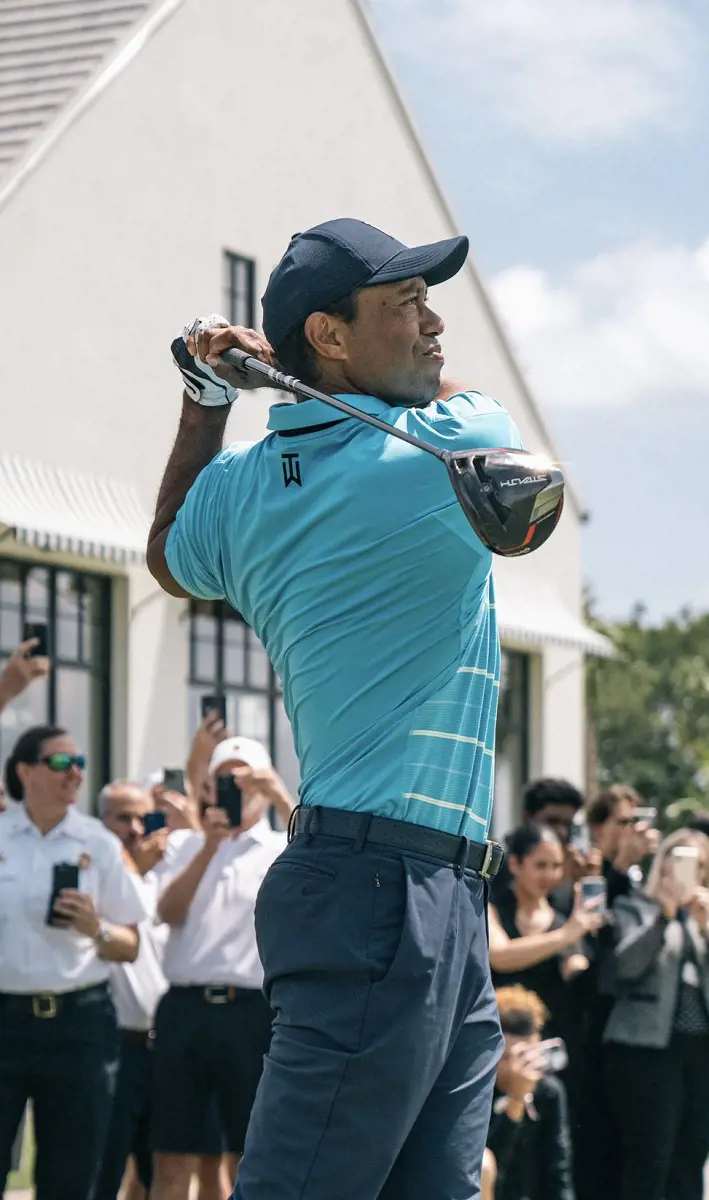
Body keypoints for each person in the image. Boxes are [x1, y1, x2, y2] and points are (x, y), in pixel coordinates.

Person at [146, 217, 528, 1199]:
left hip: (406, 894)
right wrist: (293, 378)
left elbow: (165, 553)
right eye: (405, 306)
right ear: (326, 335)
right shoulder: (442, 453)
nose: (433, 324)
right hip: (383, 895)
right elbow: (461, 409)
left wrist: (206, 400)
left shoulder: (241, 495)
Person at [0, 725, 147, 1200]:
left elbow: (131, 944)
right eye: (60, 763)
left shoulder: (100, 844)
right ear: (24, 771)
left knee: (70, 1177)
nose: (75, 774)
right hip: (4, 1021)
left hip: (79, 1027)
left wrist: (95, 928)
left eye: (79, 763)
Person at [151, 736, 293, 1199]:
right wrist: (208, 846)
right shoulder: (184, 844)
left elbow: (323, 858)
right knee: (172, 1155)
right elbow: (168, 911)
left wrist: (278, 794)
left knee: (250, 1154)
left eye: (245, 777)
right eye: (223, 778)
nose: (235, 787)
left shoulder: (280, 848)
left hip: (251, 1011)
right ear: (206, 785)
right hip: (185, 1009)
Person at [95, 780, 226, 1200]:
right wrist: (132, 865)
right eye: (122, 817)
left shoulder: (170, 875)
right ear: (101, 823)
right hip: (117, 1047)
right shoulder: (93, 873)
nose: (135, 828)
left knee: (171, 1173)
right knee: (104, 1171)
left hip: (174, 1047)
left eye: (144, 817)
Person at [603, 828, 709, 1200]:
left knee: (691, 1159)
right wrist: (663, 917)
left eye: (694, 864)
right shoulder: (634, 906)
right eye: (674, 859)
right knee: (649, 1161)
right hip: (644, 1051)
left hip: (697, 1054)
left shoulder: (703, 919)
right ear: (661, 863)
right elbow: (625, 967)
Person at [573, 784, 660, 1200]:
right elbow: (603, 941)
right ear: (597, 826)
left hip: (628, 1030)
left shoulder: (642, 876)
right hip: (587, 1025)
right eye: (621, 822)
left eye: (635, 822)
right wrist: (619, 868)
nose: (630, 831)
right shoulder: (583, 872)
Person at [488, 823, 603, 1082]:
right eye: (541, 865)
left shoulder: (563, 920)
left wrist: (598, 942)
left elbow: (576, 970)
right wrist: (566, 935)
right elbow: (499, 955)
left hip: (548, 1047)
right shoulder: (492, 907)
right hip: (498, 1045)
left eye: (556, 866)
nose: (550, 875)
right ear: (515, 864)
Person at [487, 985, 574, 1200]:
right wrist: (515, 1101)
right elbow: (487, 1167)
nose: (517, 1066)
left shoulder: (548, 1092)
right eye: (506, 1057)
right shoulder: (474, 1091)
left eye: (526, 1055)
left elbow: (557, 1170)